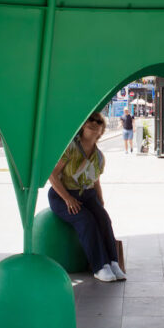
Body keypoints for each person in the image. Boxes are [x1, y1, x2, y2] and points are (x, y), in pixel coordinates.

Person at [48, 112, 126, 283]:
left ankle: (113, 262)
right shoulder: (70, 148)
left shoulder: (99, 157)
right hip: (62, 194)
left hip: (88, 195)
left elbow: (96, 181)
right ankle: (100, 267)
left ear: (101, 130)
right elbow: (52, 175)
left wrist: (101, 201)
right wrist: (67, 198)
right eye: (89, 120)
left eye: (98, 121)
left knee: (104, 219)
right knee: (86, 221)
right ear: (83, 126)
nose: (93, 123)